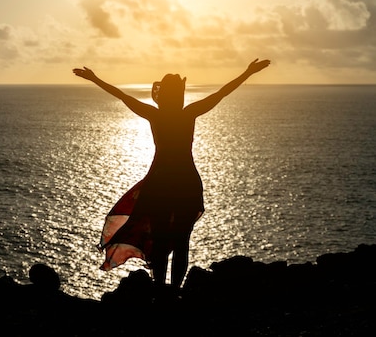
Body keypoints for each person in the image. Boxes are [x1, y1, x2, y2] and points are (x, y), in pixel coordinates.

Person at [73, 59, 271, 290]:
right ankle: (173, 290)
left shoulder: (155, 114)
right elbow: (221, 93)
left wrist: (95, 78)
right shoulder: (188, 113)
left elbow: (122, 96)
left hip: (161, 182)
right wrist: (247, 72)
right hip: (184, 181)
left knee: (162, 239)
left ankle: (160, 290)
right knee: (180, 242)